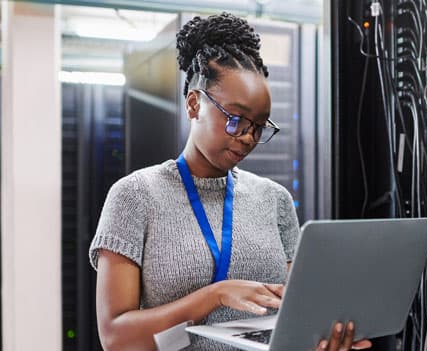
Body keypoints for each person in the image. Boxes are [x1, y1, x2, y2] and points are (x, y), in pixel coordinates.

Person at [88, 12, 372, 351]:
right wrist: (215, 295)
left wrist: (321, 341)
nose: (248, 138)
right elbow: (116, 339)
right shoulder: (135, 196)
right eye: (236, 120)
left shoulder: (274, 200)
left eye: (260, 126)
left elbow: (296, 318)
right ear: (194, 105)